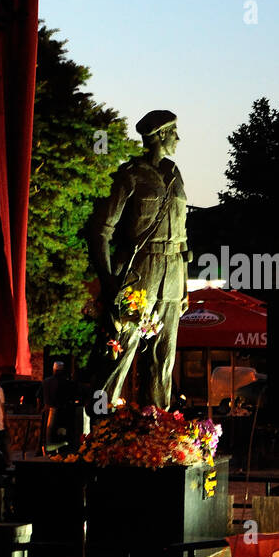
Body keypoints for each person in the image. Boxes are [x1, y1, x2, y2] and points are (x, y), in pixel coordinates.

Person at [87, 109, 190, 409]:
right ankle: (99, 422)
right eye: (173, 133)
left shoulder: (175, 175)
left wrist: (184, 287)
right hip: (138, 275)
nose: (178, 138)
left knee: (164, 357)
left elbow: (183, 239)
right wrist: (108, 282)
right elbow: (101, 231)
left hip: (171, 278)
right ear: (159, 136)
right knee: (121, 350)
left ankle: (157, 424)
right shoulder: (129, 175)